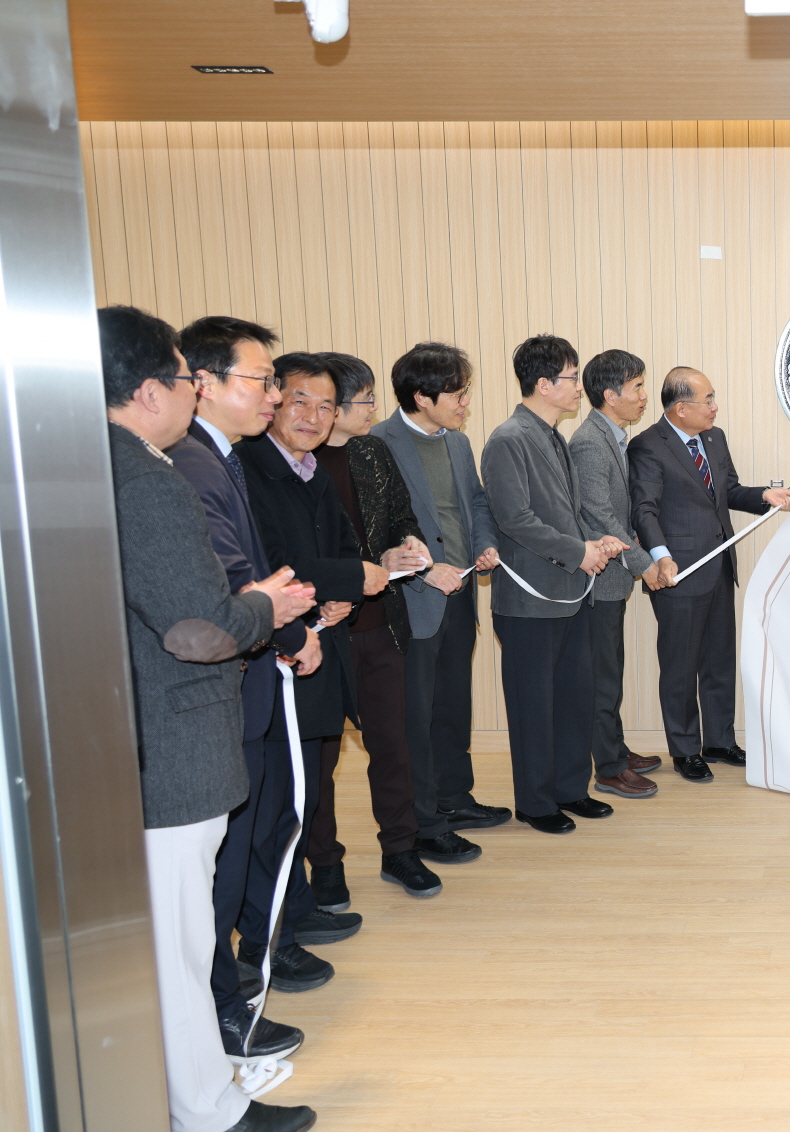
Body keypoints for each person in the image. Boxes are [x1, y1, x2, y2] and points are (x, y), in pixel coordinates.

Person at [102, 305, 317, 1132]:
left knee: (167, 942)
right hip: (174, 747)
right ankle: (208, 1109)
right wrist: (262, 605)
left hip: (133, 743)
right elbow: (195, 629)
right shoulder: (149, 477)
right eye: (190, 379)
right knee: (182, 946)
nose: (194, 394)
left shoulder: (88, 464)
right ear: (153, 388)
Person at [171, 315, 320, 1059]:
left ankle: (226, 1000)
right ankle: (222, 1017)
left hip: (249, 678)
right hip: (220, 692)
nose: (273, 395)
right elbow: (233, 580)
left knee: (240, 851)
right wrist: (289, 624)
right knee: (224, 868)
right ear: (203, 384)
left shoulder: (219, 453)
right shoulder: (194, 465)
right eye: (260, 381)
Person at [236, 354, 385, 992]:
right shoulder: (249, 469)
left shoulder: (311, 469)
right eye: (300, 401)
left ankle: (295, 910)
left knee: (302, 799)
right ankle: (271, 946)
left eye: (327, 406)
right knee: (274, 810)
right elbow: (272, 562)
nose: (315, 418)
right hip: (281, 657)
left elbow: (338, 546)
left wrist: (333, 592)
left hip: (318, 643)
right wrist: (346, 581)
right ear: (271, 400)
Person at [482, 334, 628, 833]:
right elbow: (515, 519)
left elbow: (567, 515)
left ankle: (571, 789)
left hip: (570, 595)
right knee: (533, 707)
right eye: (569, 377)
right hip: (530, 598)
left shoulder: (553, 437)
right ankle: (536, 802)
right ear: (543, 384)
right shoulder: (508, 439)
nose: (576, 387)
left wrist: (598, 540)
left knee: (573, 698)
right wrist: (578, 551)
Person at [311, 351, 443, 899]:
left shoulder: (373, 452)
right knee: (320, 758)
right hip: (319, 630)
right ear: (331, 407)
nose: (371, 408)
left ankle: (400, 850)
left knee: (392, 744)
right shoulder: (295, 462)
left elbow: (399, 517)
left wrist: (407, 543)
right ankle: (326, 866)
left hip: (378, 625)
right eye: (362, 399)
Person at [628, 367, 790, 781]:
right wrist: (661, 557)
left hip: (720, 565)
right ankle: (685, 749)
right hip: (679, 573)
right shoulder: (648, 446)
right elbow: (643, 510)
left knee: (720, 661)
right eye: (708, 401)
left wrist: (764, 497)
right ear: (681, 408)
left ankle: (719, 741)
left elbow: (729, 491)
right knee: (681, 666)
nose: (714, 407)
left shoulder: (714, 438)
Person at [370, 344, 505, 862]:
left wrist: (483, 543)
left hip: (462, 589)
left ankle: (455, 798)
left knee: (452, 705)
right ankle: (424, 822)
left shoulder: (458, 442)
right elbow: (378, 532)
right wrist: (426, 571)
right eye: (457, 393)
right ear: (421, 397)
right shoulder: (377, 443)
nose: (465, 402)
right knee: (415, 717)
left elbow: (473, 501)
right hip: (412, 600)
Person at [568, 348, 665, 799]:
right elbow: (600, 516)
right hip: (598, 582)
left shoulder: (612, 436)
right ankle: (607, 768)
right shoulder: (590, 442)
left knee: (612, 670)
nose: (645, 396)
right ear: (610, 395)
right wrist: (645, 566)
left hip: (612, 579)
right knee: (602, 677)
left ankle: (615, 748)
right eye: (638, 388)